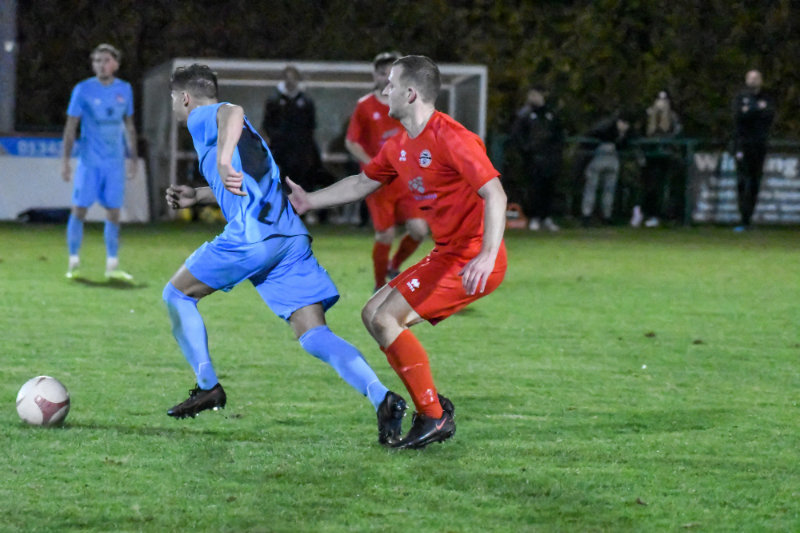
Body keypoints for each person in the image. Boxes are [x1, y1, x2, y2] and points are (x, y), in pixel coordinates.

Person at [163, 64, 407, 446]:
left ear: (184, 98)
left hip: (252, 238)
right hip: (288, 236)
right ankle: (382, 398)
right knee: (313, 334)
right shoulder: (244, 135)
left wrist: (223, 162)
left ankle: (208, 386)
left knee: (177, 295)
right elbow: (245, 181)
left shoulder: (204, 116)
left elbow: (232, 111)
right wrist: (198, 194)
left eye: (173, 100)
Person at [287, 56, 508, 450]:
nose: (384, 90)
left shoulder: (452, 137)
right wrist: (309, 201)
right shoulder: (400, 144)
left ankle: (433, 416)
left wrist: (488, 254)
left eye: (391, 84)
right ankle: (431, 402)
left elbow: (495, 194)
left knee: (388, 318)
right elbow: (361, 183)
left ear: (410, 93)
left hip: (471, 258)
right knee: (372, 313)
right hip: (447, 253)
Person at [346, 51, 428, 290]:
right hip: (378, 182)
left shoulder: (409, 103)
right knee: (385, 235)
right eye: (382, 73)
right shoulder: (365, 106)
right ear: (375, 75)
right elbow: (351, 141)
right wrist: (372, 164)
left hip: (405, 179)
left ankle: (394, 265)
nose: (387, 77)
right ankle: (379, 284)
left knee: (419, 230)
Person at [60, 43, 138, 281]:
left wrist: (133, 158)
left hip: (114, 163)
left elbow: (129, 126)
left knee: (114, 212)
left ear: (115, 64)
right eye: (96, 61)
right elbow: (71, 127)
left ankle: (112, 265)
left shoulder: (125, 89)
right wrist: (65, 160)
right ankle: (73, 262)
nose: (100, 65)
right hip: (90, 162)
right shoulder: (83, 89)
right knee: (79, 209)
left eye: (105, 60)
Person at [261, 65, 331, 223]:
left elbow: (311, 126)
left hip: (301, 151)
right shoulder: (274, 100)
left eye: (293, 78)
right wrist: (275, 140)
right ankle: (281, 213)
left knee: (303, 180)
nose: (290, 81)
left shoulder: (305, 101)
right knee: (281, 181)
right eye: (287, 77)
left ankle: (303, 212)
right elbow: (267, 124)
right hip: (280, 151)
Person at [509, 87, 564, 231]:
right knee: (534, 189)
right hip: (533, 159)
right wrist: (527, 150)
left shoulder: (551, 114)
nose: (534, 98)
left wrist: (556, 152)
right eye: (531, 95)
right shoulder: (524, 114)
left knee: (549, 188)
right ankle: (534, 217)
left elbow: (559, 134)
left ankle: (546, 217)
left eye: (536, 95)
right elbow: (517, 134)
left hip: (550, 159)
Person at [631, 90, 683, 228]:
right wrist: (641, 153)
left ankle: (659, 215)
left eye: (664, 101)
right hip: (648, 157)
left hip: (666, 157)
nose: (661, 104)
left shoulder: (673, 117)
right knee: (646, 186)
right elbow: (638, 135)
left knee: (662, 187)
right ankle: (641, 212)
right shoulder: (647, 116)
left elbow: (676, 135)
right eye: (659, 100)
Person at [732, 69, 775, 231]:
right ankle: (743, 218)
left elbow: (769, 116)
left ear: (761, 80)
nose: (753, 80)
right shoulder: (740, 98)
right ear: (746, 80)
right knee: (743, 180)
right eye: (750, 78)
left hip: (759, 145)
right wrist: (757, 109)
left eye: (756, 78)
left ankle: (748, 218)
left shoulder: (767, 98)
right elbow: (739, 117)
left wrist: (751, 110)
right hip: (742, 145)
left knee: (755, 181)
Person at [580, 113, 633, 226]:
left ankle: (603, 215)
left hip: (607, 157)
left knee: (606, 189)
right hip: (601, 156)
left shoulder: (610, 129)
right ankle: (589, 214)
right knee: (594, 187)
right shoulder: (606, 128)